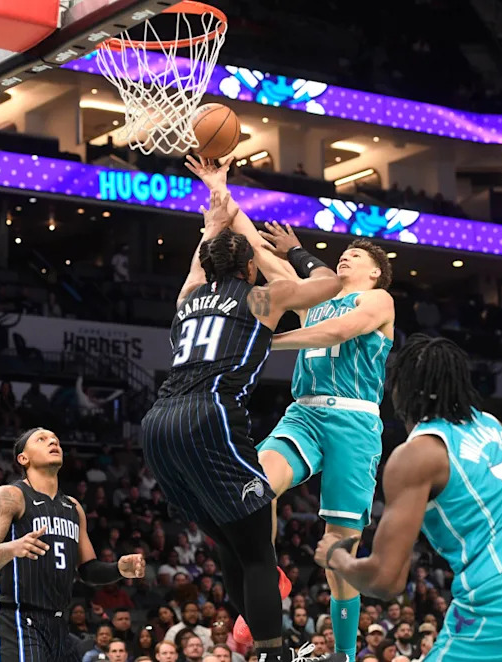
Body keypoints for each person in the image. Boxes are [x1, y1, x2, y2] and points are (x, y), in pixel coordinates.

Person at [186, 156, 395, 662]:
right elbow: (254, 245)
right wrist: (220, 187)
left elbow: (338, 332)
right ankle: (266, 576)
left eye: (355, 256)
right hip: (304, 412)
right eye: (341, 255)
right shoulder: (311, 297)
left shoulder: (379, 302)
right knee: (251, 486)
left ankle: (344, 653)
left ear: (376, 272)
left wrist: (270, 342)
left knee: (337, 552)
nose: (345, 260)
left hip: (353, 420)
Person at [316, 335, 502, 662]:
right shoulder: (491, 425)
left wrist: (337, 557)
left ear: (403, 388)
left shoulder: (416, 455)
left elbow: (386, 581)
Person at [141, 185, 342, 662]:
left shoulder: (188, 297)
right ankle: (274, 655)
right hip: (208, 417)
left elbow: (198, 261)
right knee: (257, 552)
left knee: (233, 544)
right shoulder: (260, 298)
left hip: (158, 425)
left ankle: (270, 649)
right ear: (249, 266)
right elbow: (331, 284)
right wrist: (294, 252)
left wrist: (213, 217)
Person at [0, 427, 145, 662]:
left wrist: (118, 569)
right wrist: (13, 547)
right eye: (42, 439)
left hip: (59, 624)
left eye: (56, 440)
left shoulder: (73, 507)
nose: (53, 442)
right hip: (18, 620)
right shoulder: (10, 496)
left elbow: (87, 570)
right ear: (23, 458)